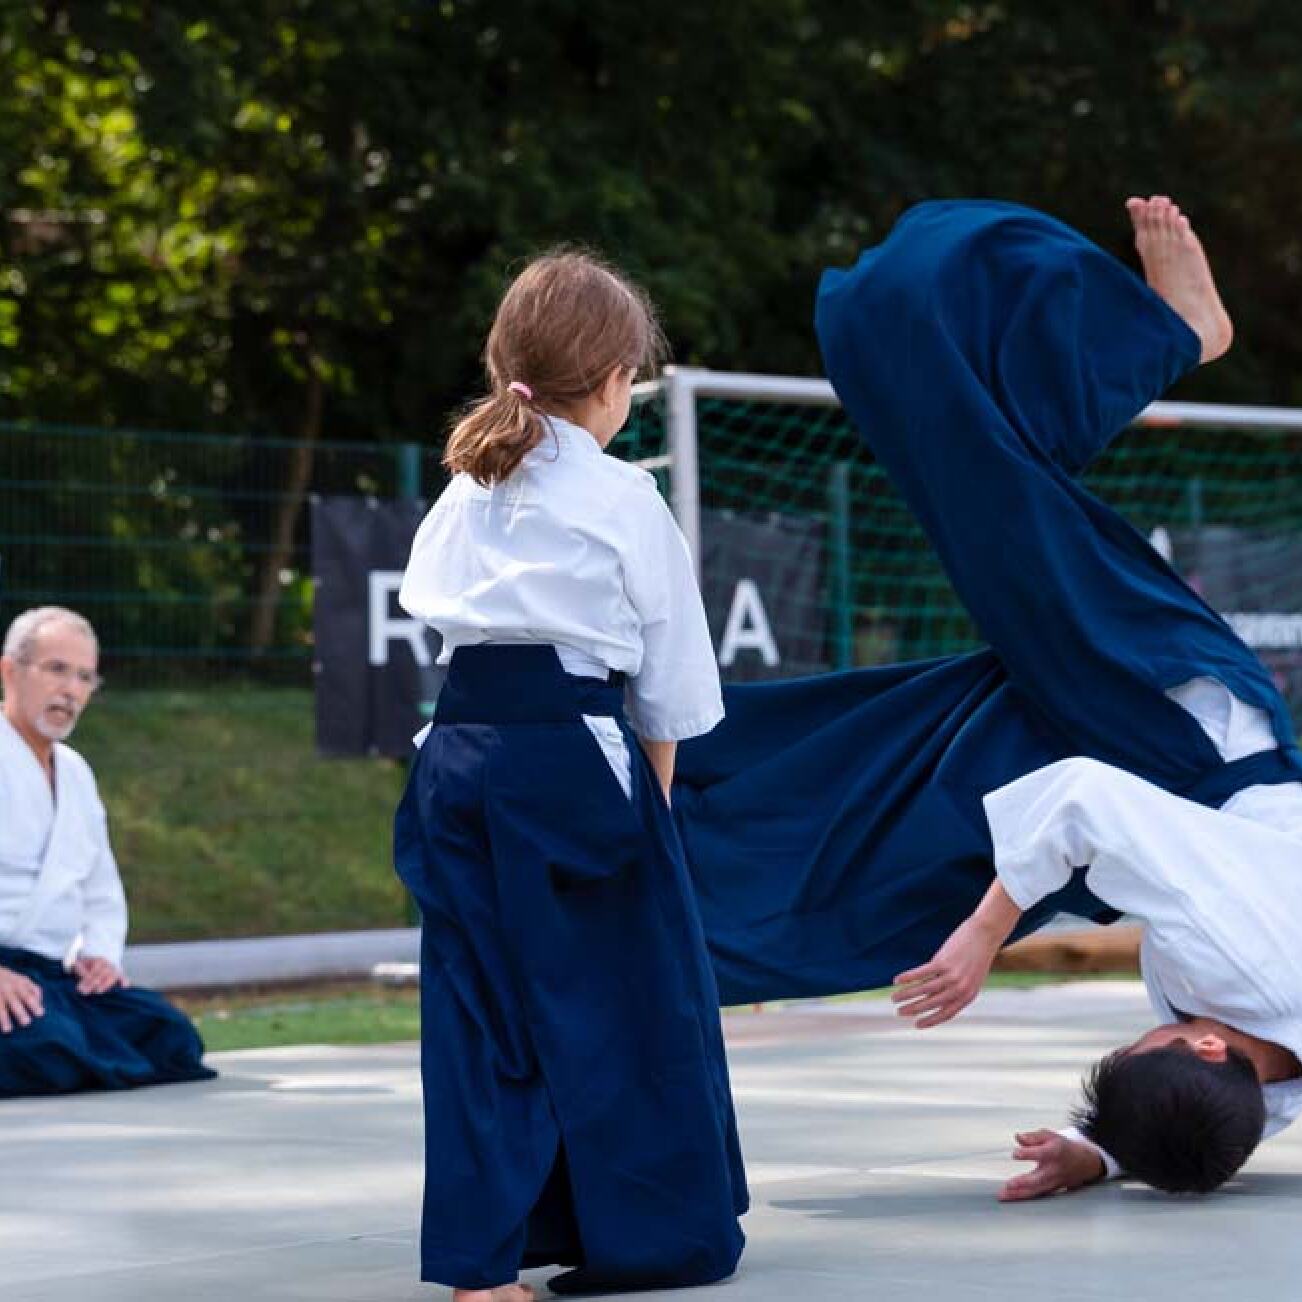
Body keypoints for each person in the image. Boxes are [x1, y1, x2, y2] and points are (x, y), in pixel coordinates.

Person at [671, 196, 1302, 1200]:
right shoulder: (1238, 959)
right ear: (1205, 1045)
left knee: (908, 822)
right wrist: (985, 939)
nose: (1158, 1027)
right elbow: (1084, 797)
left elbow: (1249, 1110)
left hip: (1147, 768)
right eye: (1155, 1039)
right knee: (993, 500)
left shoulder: (1258, 1058)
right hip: (1173, 724)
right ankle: (1173, 334)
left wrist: (1104, 1152)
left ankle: (671, 853)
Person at [394, 250, 747, 1302]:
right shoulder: (622, 495)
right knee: (622, 1002)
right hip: (570, 757)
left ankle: (481, 1264)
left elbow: (436, 615)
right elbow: (671, 689)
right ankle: (641, 1234)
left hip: (455, 756)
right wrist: (652, 816)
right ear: (615, 379)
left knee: (476, 1010)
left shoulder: (466, 486)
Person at [0, 605, 213, 1096]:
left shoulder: (76, 773)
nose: (70, 690)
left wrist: (97, 957)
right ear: (10, 671)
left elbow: (100, 888)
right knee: (46, 1048)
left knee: (169, 1036)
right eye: (56, 669)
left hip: (50, 978)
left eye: (84, 677)